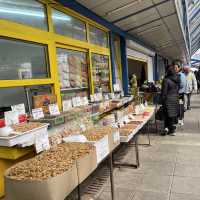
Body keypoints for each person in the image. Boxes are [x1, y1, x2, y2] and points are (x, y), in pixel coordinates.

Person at [161, 65, 179, 136]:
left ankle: (168, 129)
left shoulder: (166, 80)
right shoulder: (176, 79)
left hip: (168, 100)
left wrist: (162, 100)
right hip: (175, 99)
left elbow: (164, 92)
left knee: (167, 115)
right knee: (172, 115)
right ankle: (170, 129)